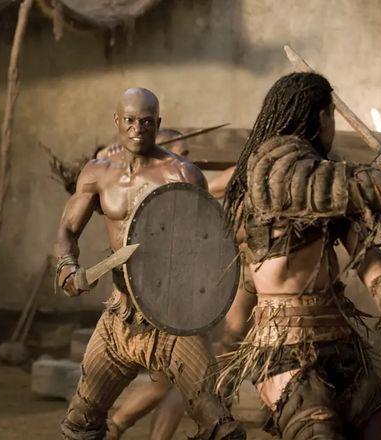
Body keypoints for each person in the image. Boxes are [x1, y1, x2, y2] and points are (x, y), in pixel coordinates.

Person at [218, 72, 381, 439]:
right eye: (330, 116)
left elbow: (365, 255)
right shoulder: (277, 172)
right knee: (317, 432)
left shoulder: (322, 185)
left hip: (338, 339)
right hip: (284, 347)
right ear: (323, 117)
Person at [53, 87, 245, 440]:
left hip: (173, 320)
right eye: (129, 120)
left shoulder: (182, 175)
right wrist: (66, 264)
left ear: (158, 123)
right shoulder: (97, 173)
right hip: (119, 318)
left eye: (145, 122)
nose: (137, 129)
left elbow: (207, 247)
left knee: (218, 424)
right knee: (79, 423)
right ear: (117, 120)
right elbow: (67, 228)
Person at [108, 163, 258, 440]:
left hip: (239, 283)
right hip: (205, 288)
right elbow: (198, 200)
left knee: (185, 380)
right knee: (175, 380)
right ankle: (115, 427)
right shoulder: (243, 175)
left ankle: (117, 427)